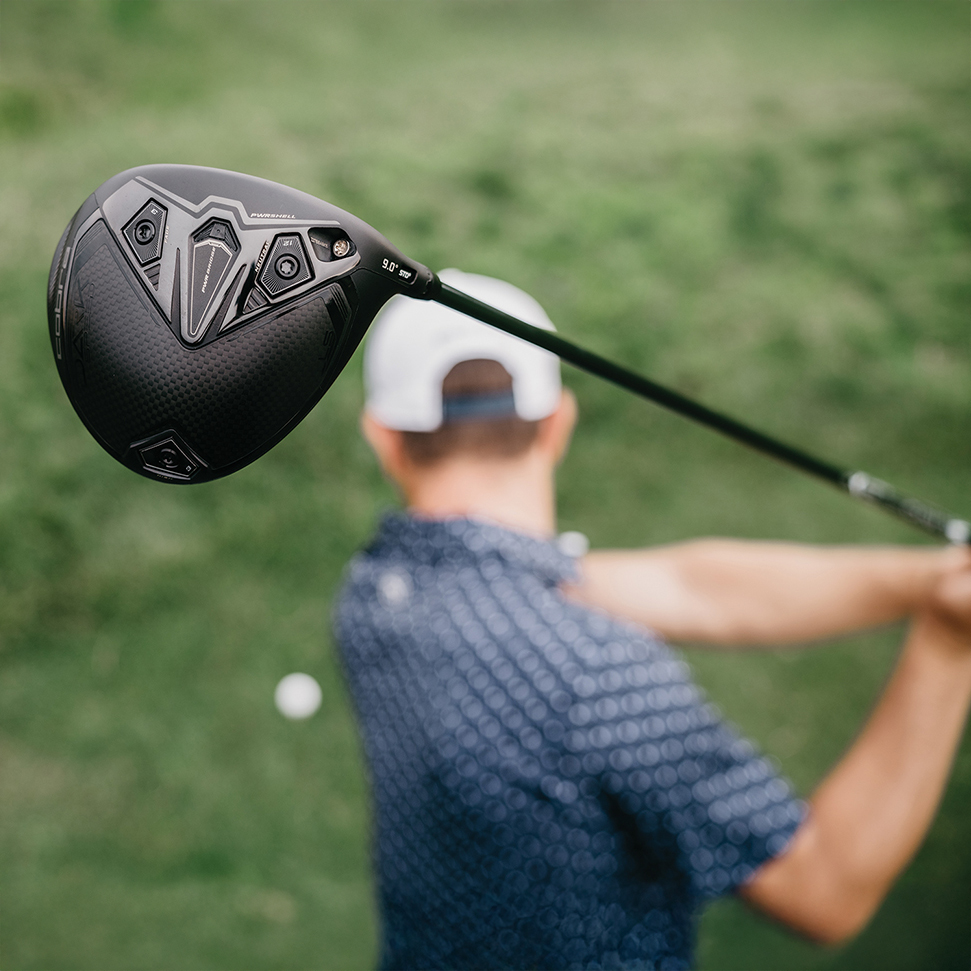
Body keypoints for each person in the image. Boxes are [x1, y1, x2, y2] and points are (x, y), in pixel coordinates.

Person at [334, 269, 971, 971]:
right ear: (557, 423)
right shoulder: (595, 672)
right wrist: (948, 641)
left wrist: (933, 579)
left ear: (382, 436)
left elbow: (689, 585)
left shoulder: (374, 592)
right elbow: (822, 891)